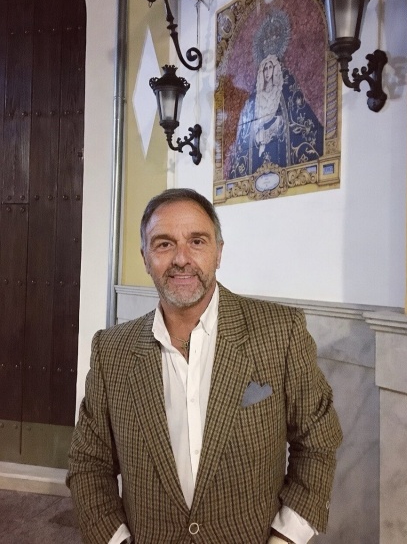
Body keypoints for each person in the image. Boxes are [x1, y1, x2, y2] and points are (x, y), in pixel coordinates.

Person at [67, 188, 342, 544]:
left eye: (196, 241)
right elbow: (89, 463)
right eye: (164, 244)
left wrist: (286, 538)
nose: (181, 259)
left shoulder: (280, 332)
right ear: (145, 257)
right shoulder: (112, 351)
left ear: (218, 252)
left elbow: (318, 442)